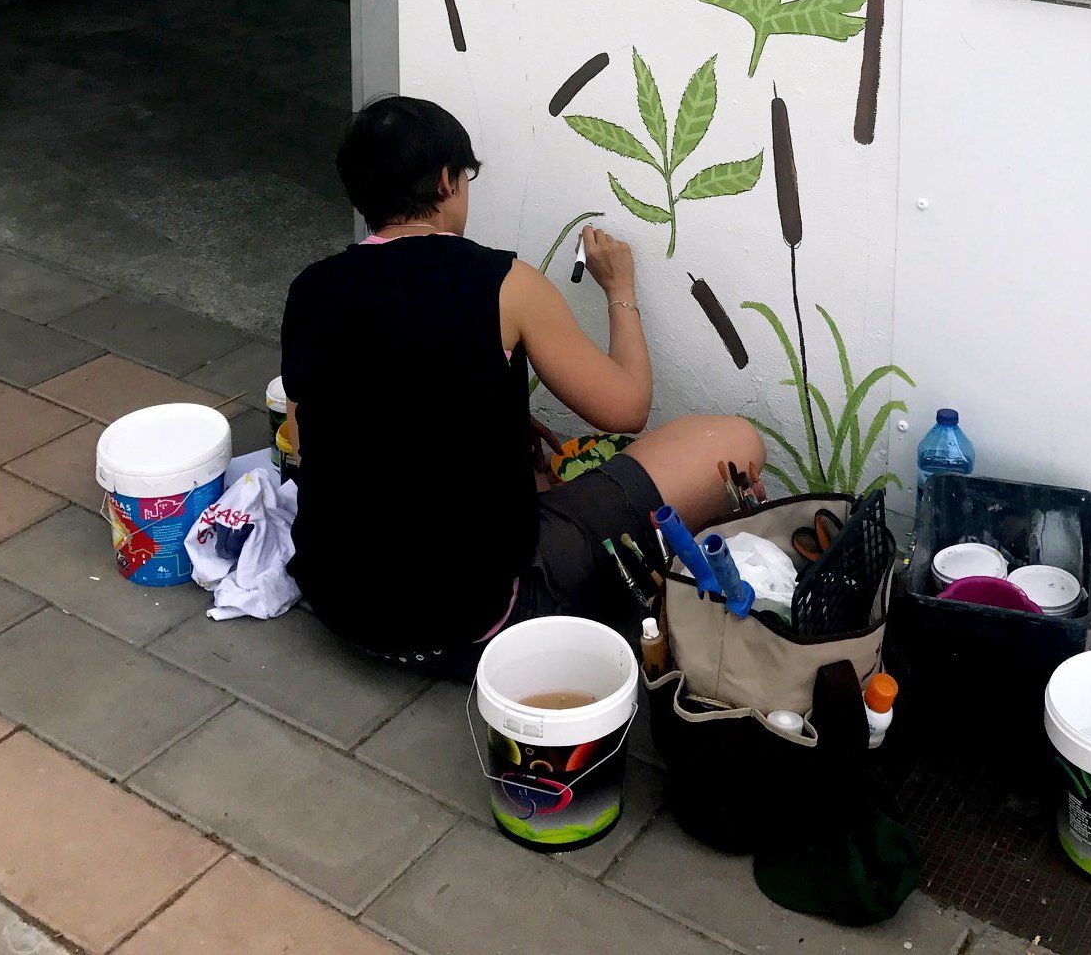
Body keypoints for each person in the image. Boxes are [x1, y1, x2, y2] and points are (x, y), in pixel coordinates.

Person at [281, 93, 763, 675]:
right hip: (477, 624)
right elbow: (627, 407)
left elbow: (307, 443)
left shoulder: (313, 288)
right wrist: (619, 288)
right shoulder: (502, 283)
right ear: (445, 181)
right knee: (735, 443)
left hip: (346, 611)